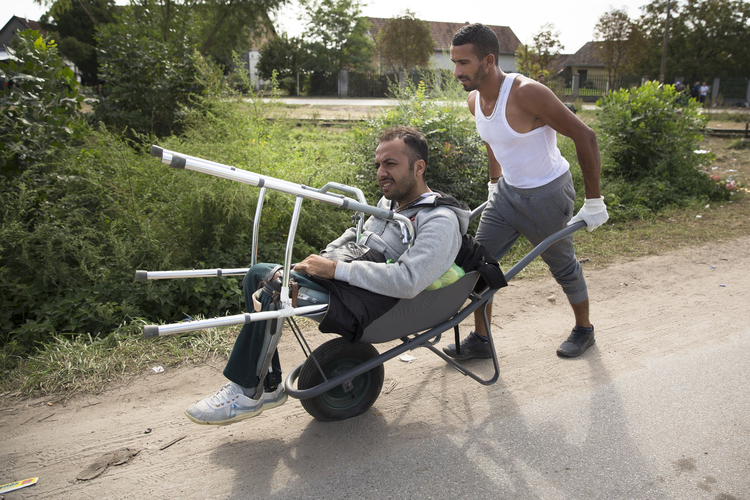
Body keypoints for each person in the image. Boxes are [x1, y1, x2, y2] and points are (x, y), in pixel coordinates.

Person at [185, 126, 472, 425]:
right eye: (378, 165)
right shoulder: (389, 204)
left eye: (391, 164)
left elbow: (409, 280)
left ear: (419, 167)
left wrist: (335, 269)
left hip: (381, 302)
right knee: (259, 274)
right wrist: (319, 261)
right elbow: (356, 234)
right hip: (353, 280)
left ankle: (246, 391)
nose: (381, 172)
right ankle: (265, 384)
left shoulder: (439, 219)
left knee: (273, 285)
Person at [444, 23, 609, 361]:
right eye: (454, 63)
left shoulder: (526, 93)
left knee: (562, 266)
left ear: (488, 60)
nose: (457, 71)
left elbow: (585, 136)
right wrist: (494, 184)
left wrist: (595, 201)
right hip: (507, 195)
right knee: (478, 264)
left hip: (548, 195)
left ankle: (584, 329)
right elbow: (494, 141)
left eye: (464, 63)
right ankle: (481, 339)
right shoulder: (474, 101)